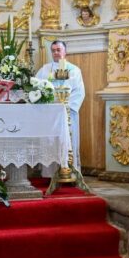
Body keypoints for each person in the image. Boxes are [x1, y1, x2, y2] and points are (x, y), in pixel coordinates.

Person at [36, 40, 86, 171]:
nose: (56, 53)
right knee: (50, 143)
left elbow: (79, 92)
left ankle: (70, 170)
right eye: (53, 50)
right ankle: (50, 173)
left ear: (65, 51)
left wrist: (66, 107)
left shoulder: (74, 70)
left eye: (58, 50)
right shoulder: (44, 70)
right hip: (49, 115)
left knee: (68, 141)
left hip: (67, 114)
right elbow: (37, 89)